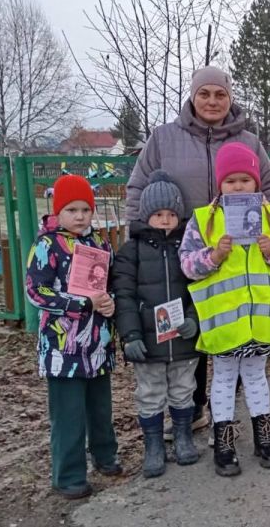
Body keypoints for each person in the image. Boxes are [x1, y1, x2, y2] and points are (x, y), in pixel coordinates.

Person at [124, 66, 270, 440]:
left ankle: (223, 414)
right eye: (205, 94)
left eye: (220, 94)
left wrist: (266, 228)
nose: (212, 101)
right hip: (184, 251)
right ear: (193, 97)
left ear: (230, 98)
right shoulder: (164, 138)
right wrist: (142, 235)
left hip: (238, 257)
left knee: (235, 332)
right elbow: (137, 188)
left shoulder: (249, 141)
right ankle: (192, 407)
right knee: (189, 329)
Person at [179, 142, 270, 477]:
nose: (237, 186)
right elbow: (187, 265)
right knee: (222, 380)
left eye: (245, 180)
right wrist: (213, 256)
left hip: (260, 322)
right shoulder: (204, 221)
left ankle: (264, 436)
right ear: (220, 183)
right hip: (222, 324)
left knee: (256, 377)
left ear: (256, 183)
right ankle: (224, 440)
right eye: (230, 180)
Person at [25, 174, 120, 500]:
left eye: (85, 209)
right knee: (69, 414)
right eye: (71, 209)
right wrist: (83, 303)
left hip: (97, 344)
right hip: (63, 349)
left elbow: (109, 285)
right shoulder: (46, 245)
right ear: (57, 211)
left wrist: (109, 303)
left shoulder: (100, 244)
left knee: (100, 408)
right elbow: (36, 292)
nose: (80, 217)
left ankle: (106, 457)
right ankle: (68, 476)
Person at [111, 171, 202, 479]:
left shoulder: (189, 250)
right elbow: (123, 296)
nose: (165, 220)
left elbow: (201, 288)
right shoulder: (130, 253)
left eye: (171, 214)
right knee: (150, 392)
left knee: (183, 389)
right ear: (146, 215)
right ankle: (153, 445)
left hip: (183, 339)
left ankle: (183, 437)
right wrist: (130, 335)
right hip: (147, 342)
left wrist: (194, 319)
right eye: (158, 214)